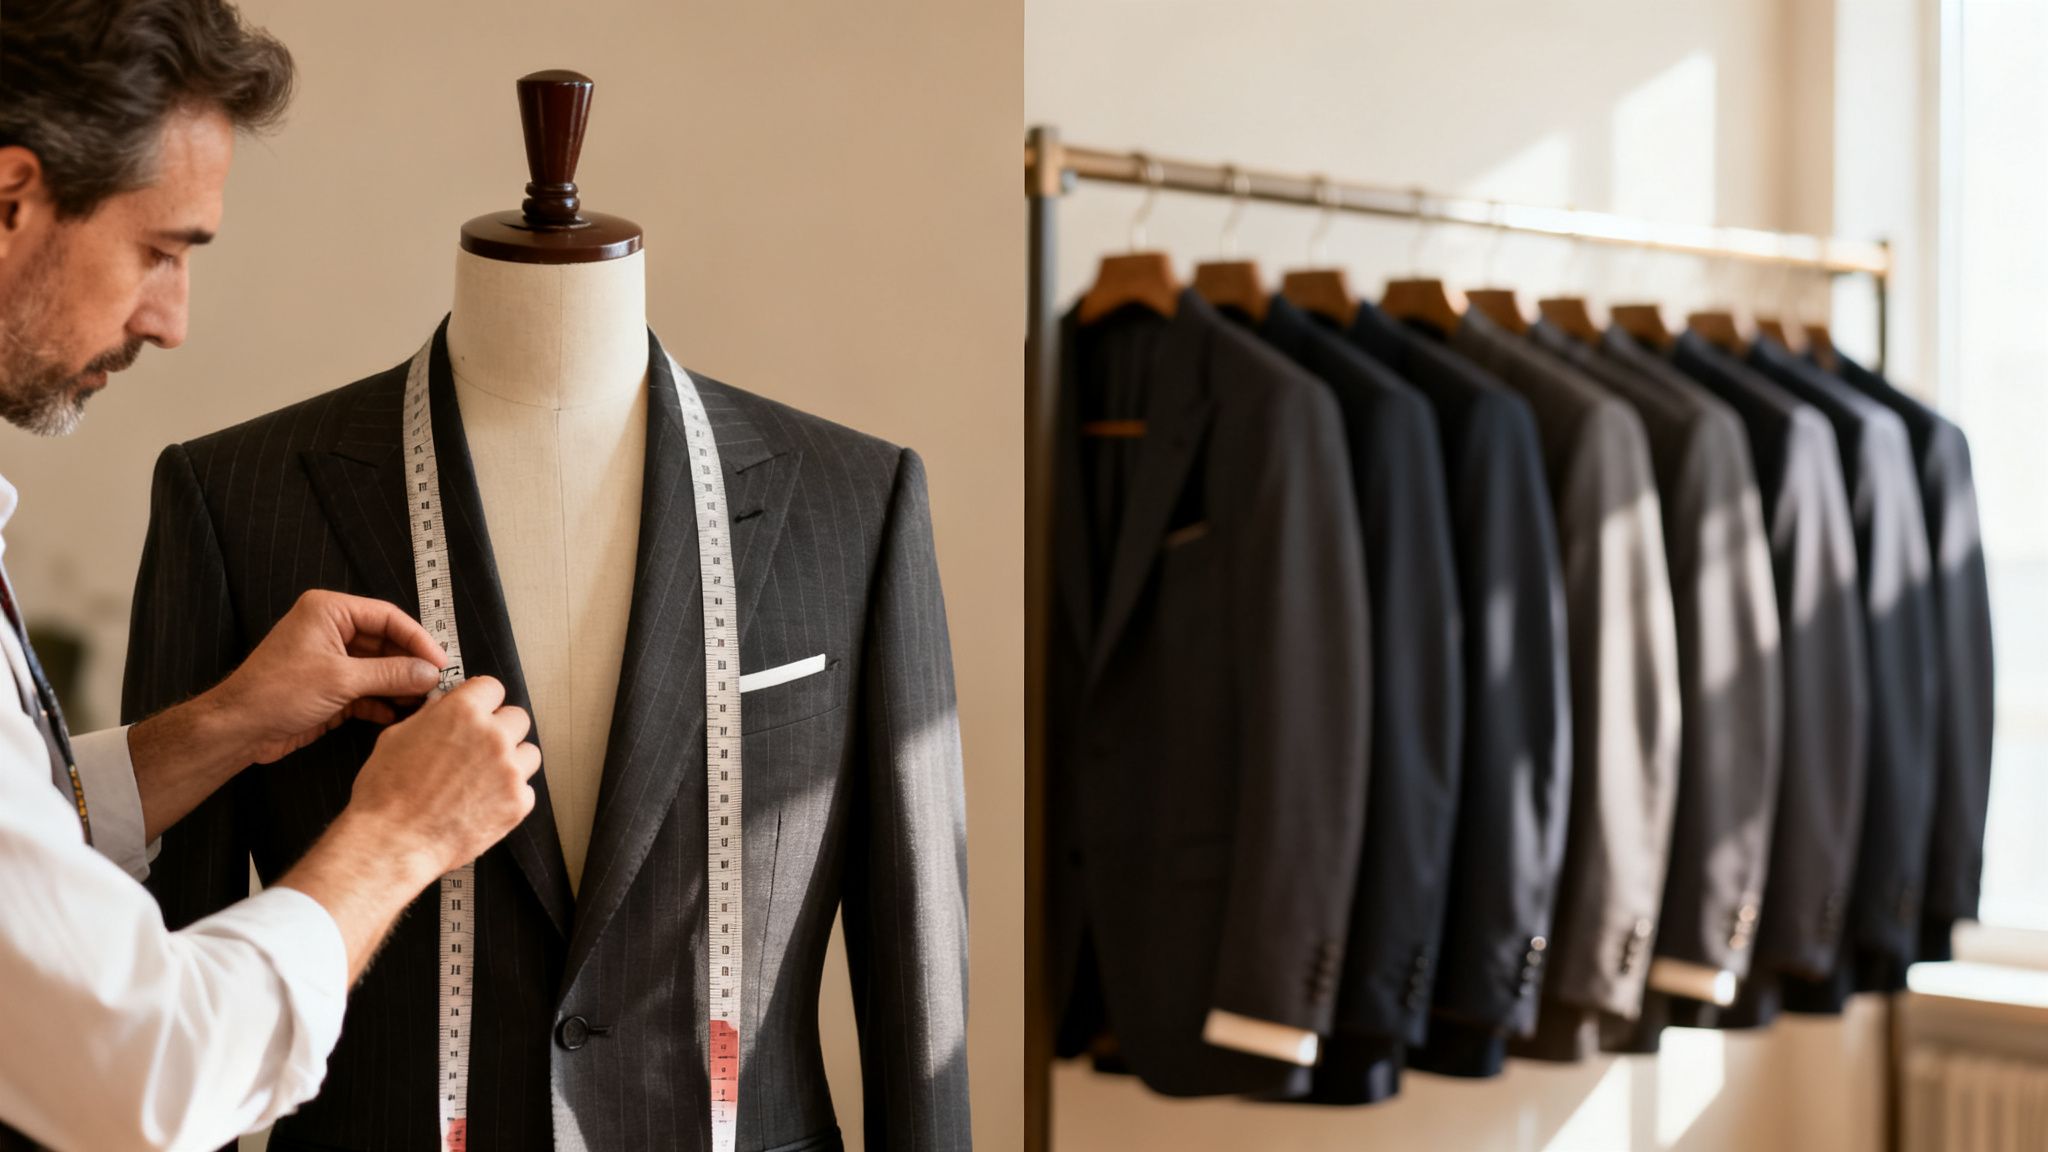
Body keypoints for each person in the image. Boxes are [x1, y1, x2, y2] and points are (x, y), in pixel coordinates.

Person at [0, 2, 543, 1148]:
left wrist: (220, 729)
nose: (172, 319)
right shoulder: (228, 487)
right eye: (160, 250)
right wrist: (397, 834)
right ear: (10, 199)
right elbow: (145, 1076)